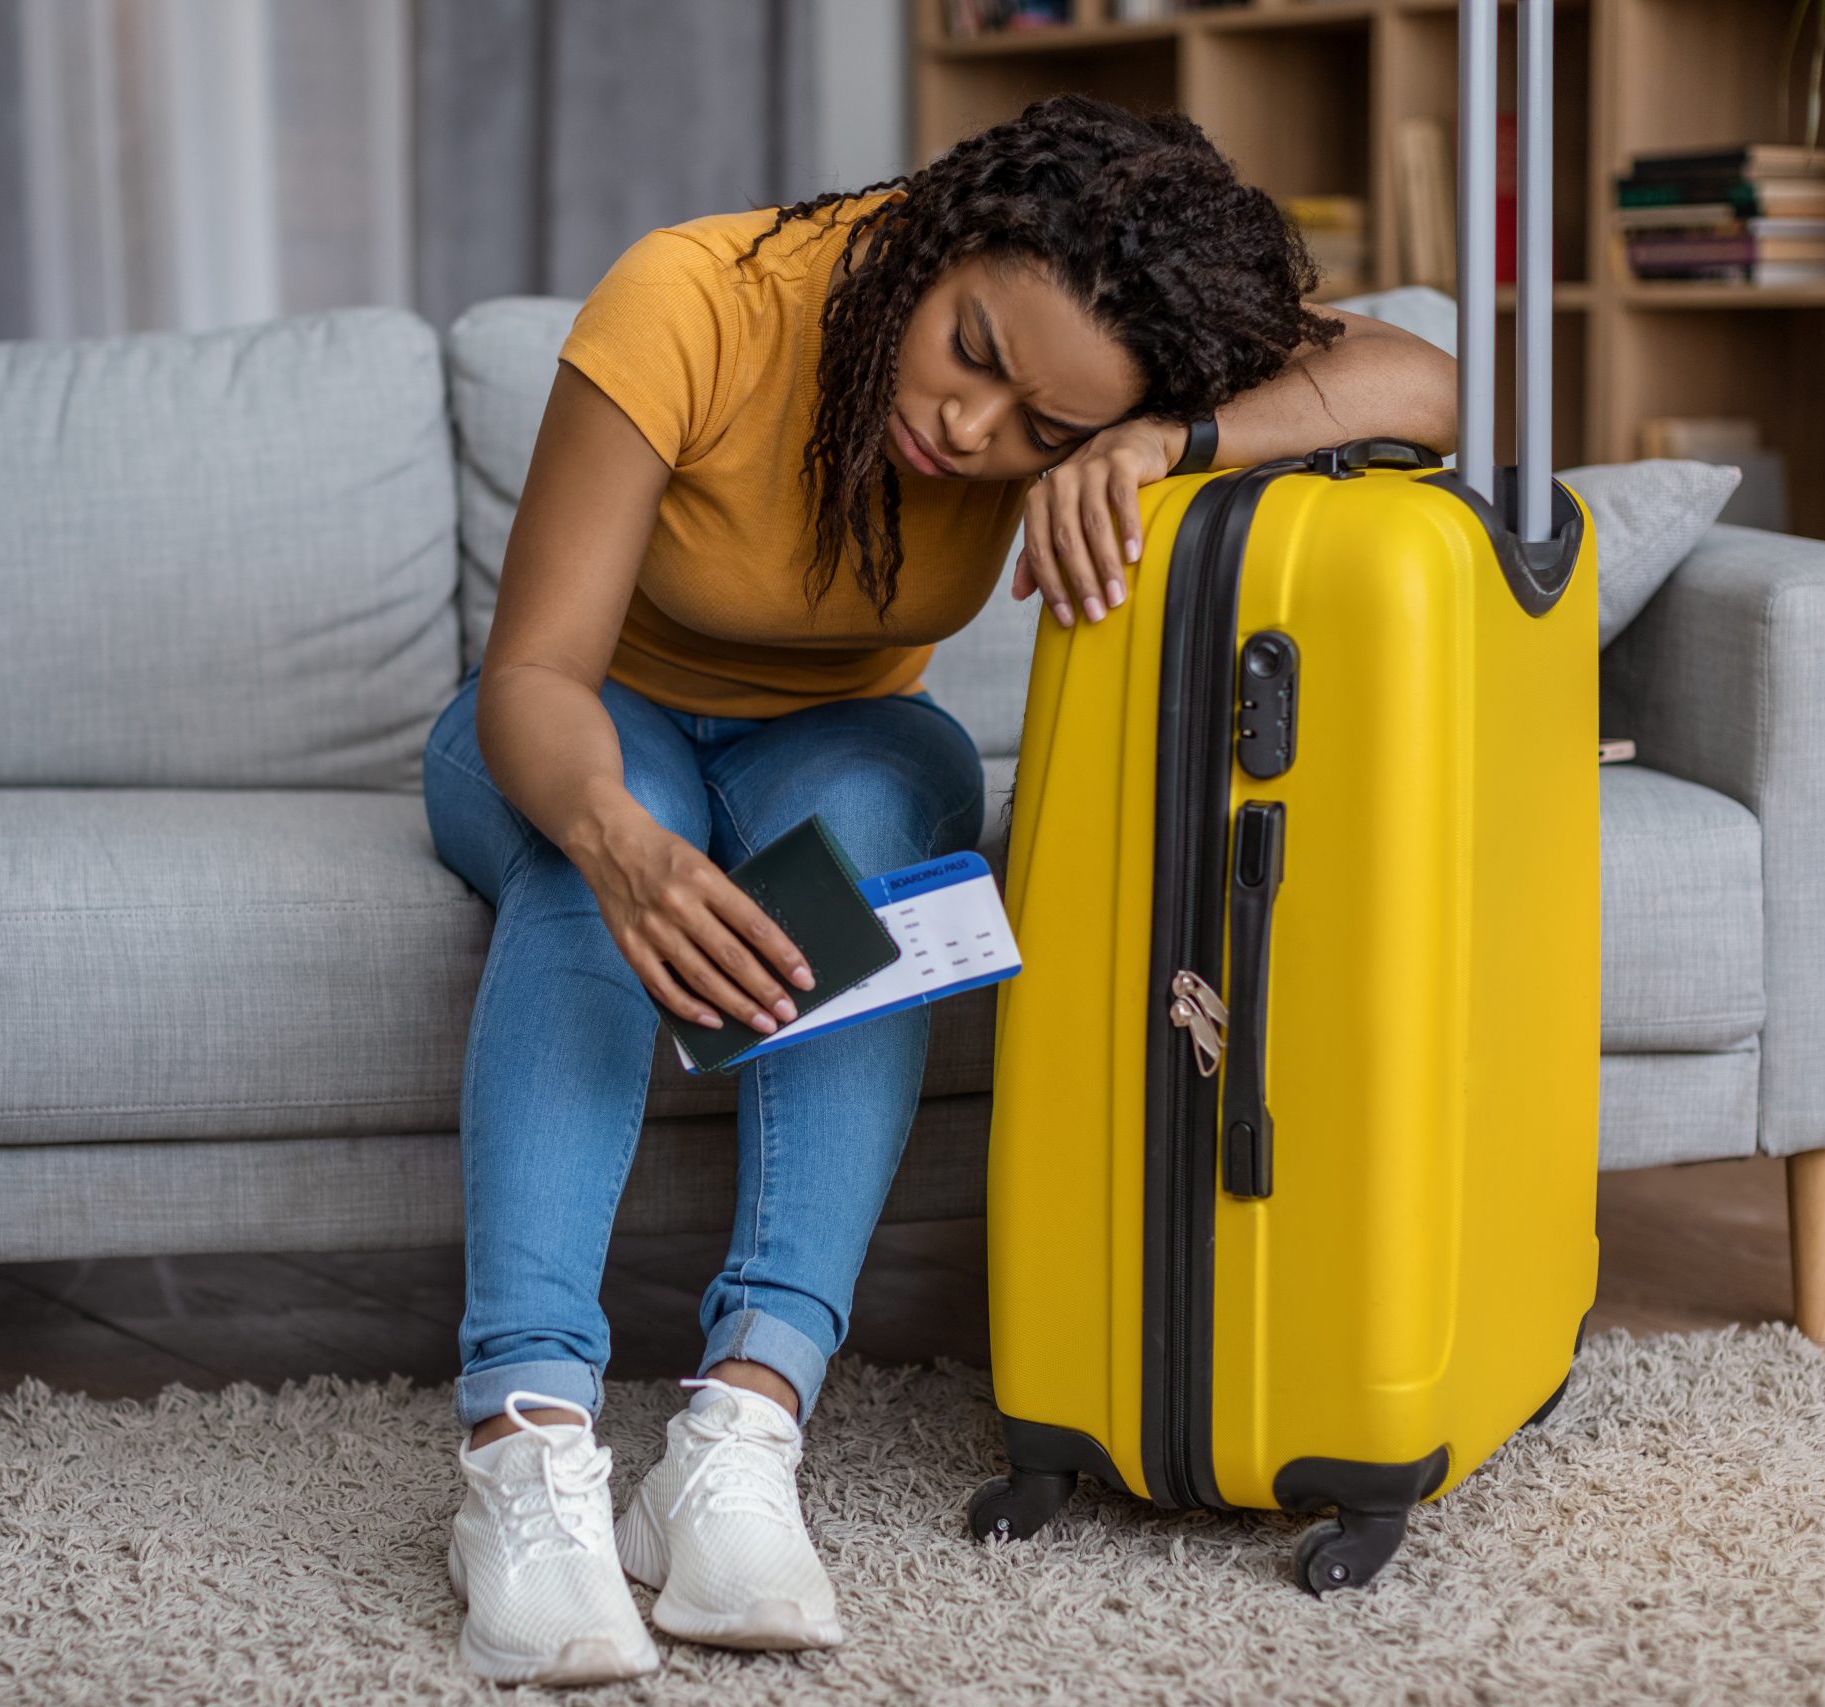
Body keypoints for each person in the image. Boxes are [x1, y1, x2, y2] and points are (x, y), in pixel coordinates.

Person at [421, 92, 1456, 1686]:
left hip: (825, 732)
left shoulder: (1102, 362)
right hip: (569, 718)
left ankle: (742, 1432)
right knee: (601, 876)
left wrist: (1154, 437)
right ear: (936, 237)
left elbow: (1427, 380)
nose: (978, 434)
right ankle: (524, 1445)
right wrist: (632, 849)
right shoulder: (698, 300)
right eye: (973, 352)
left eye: (1039, 426)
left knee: (887, 835)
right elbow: (534, 675)